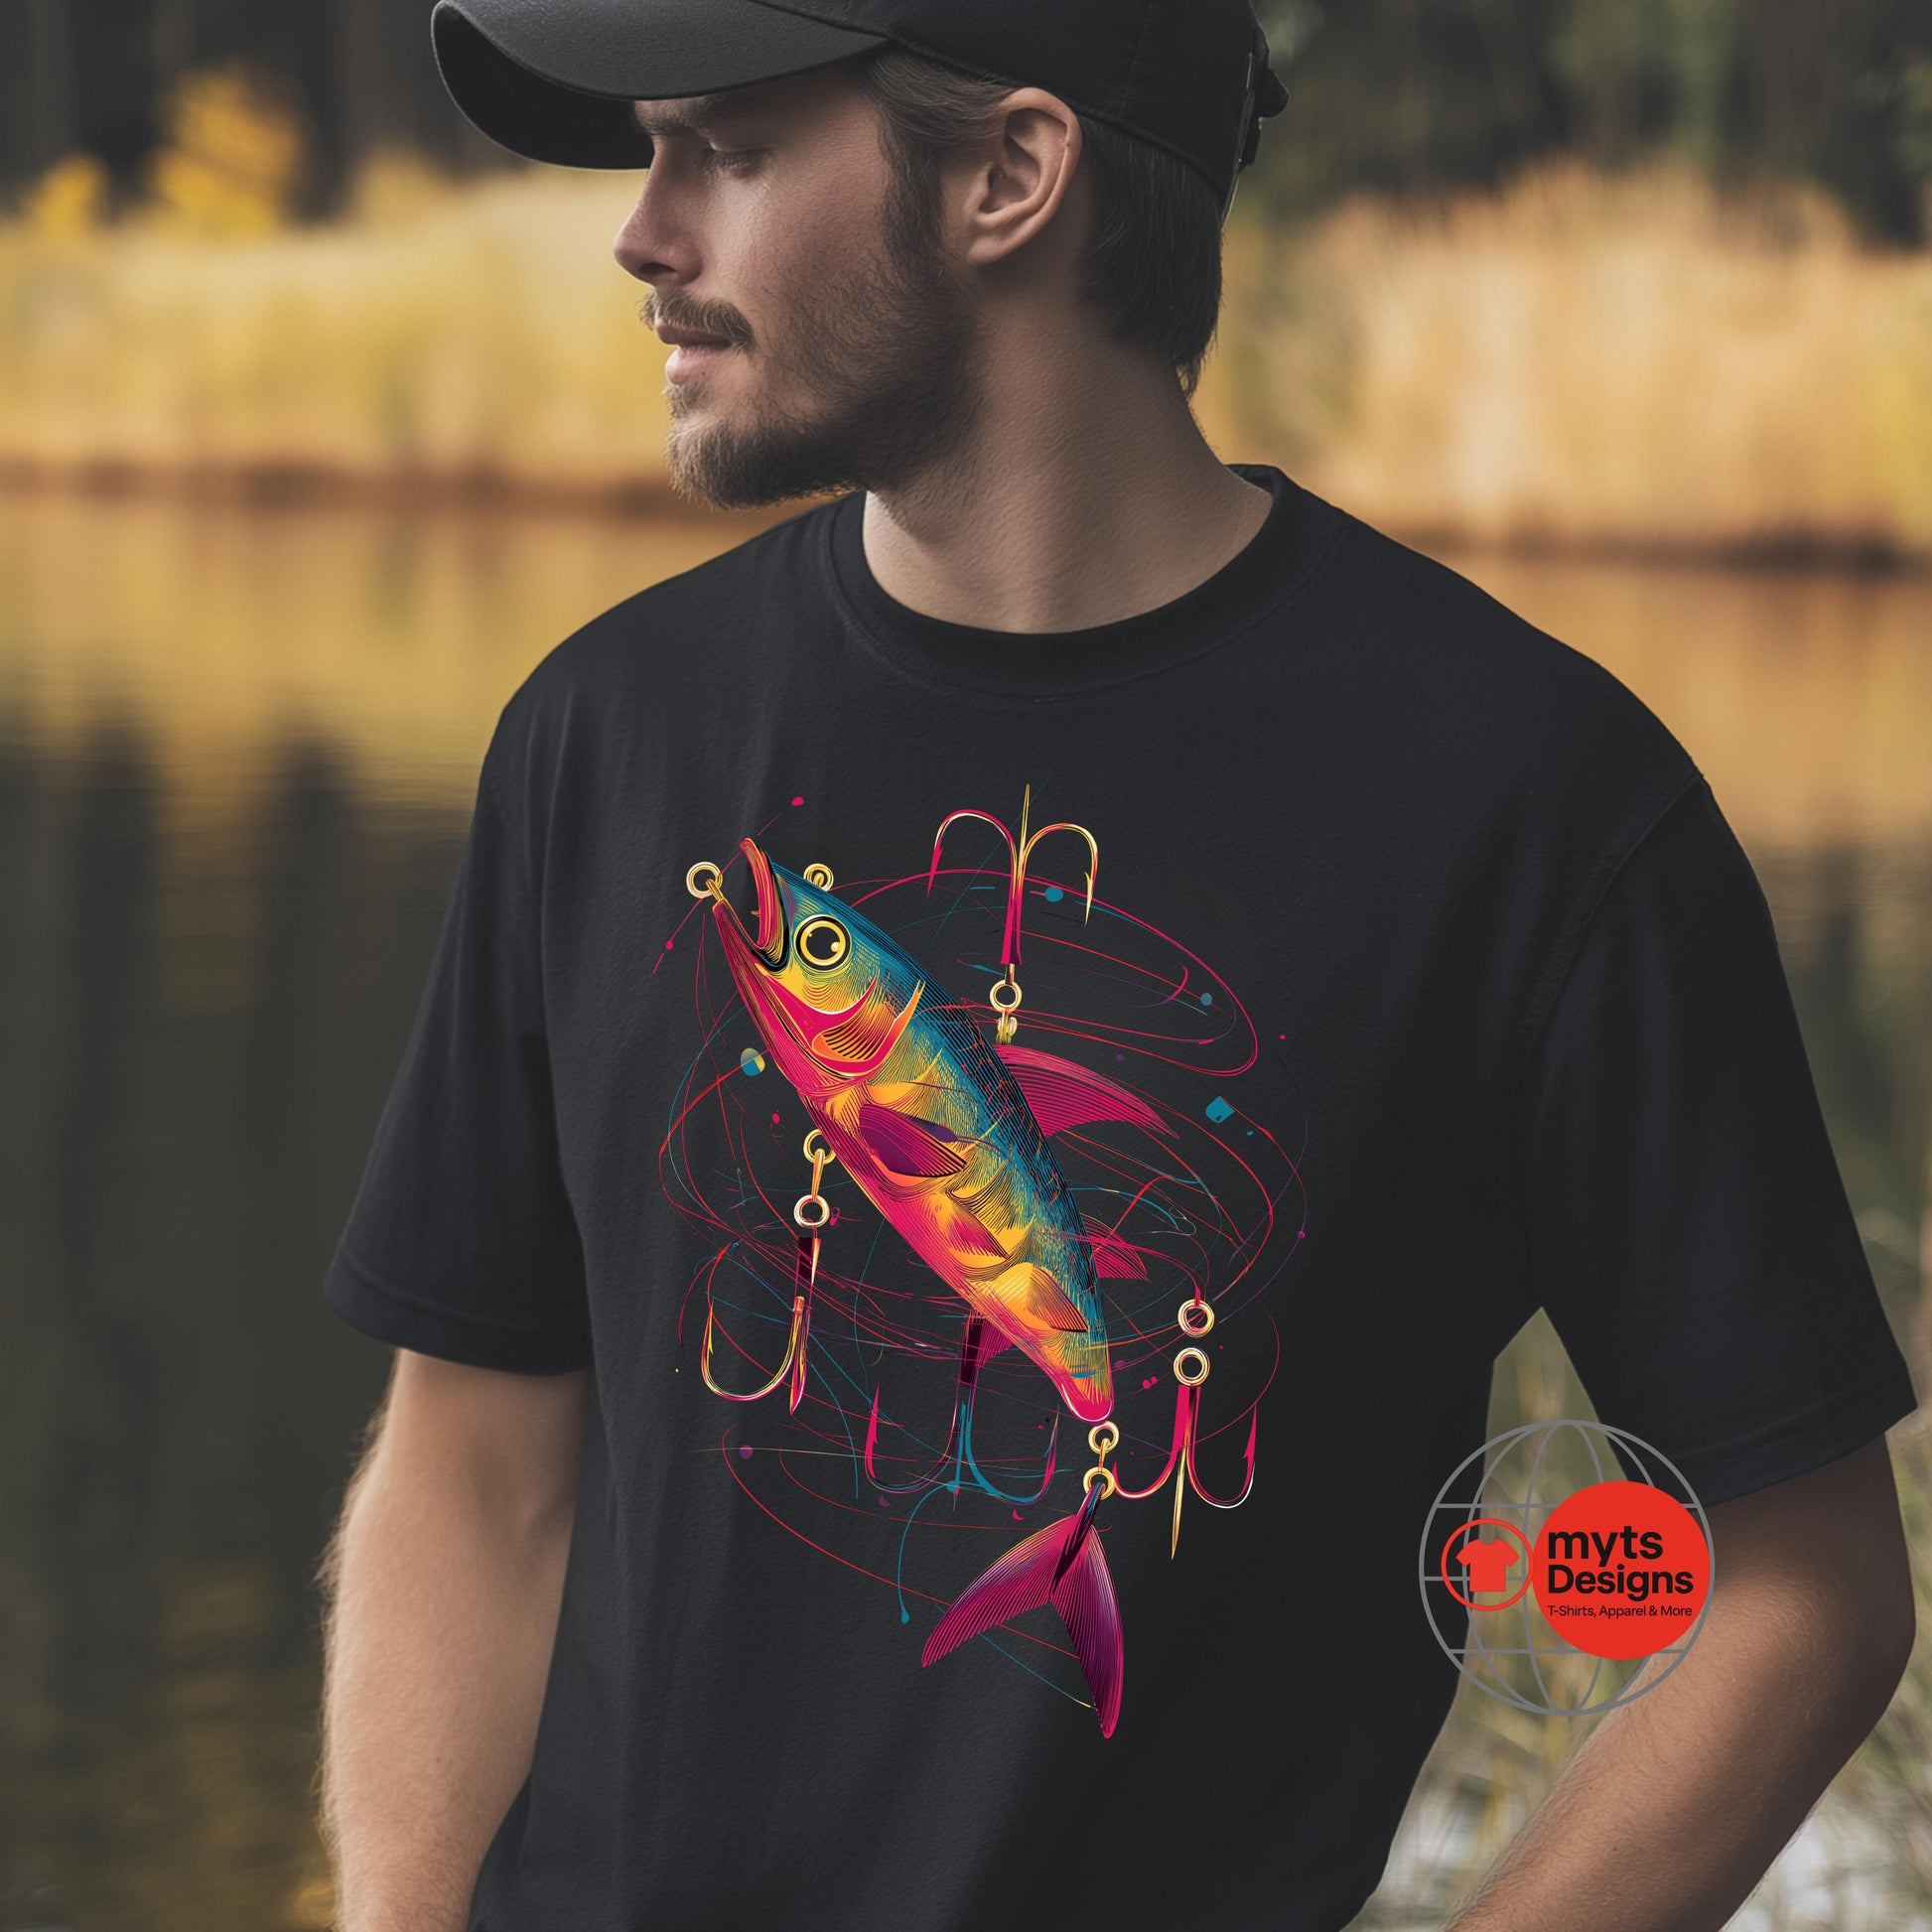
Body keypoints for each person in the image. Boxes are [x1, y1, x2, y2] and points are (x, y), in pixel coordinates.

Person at [315, 2, 1921, 1928]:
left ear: (1011, 174)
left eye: (725, 152)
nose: (640, 231)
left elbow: (1801, 1582)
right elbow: (476, 1459)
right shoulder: (603, 732)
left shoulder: (1528, 800)